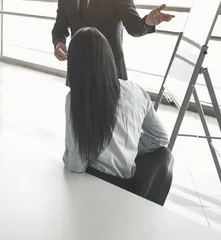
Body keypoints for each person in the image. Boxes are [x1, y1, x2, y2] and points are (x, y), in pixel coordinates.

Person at [63, 27, 169, 181]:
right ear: (108, 57)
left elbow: (75, 165)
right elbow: (160, 137)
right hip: (127, 187)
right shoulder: (136, 90)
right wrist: (128, 148)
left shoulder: (76, 98)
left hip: (94, 185)